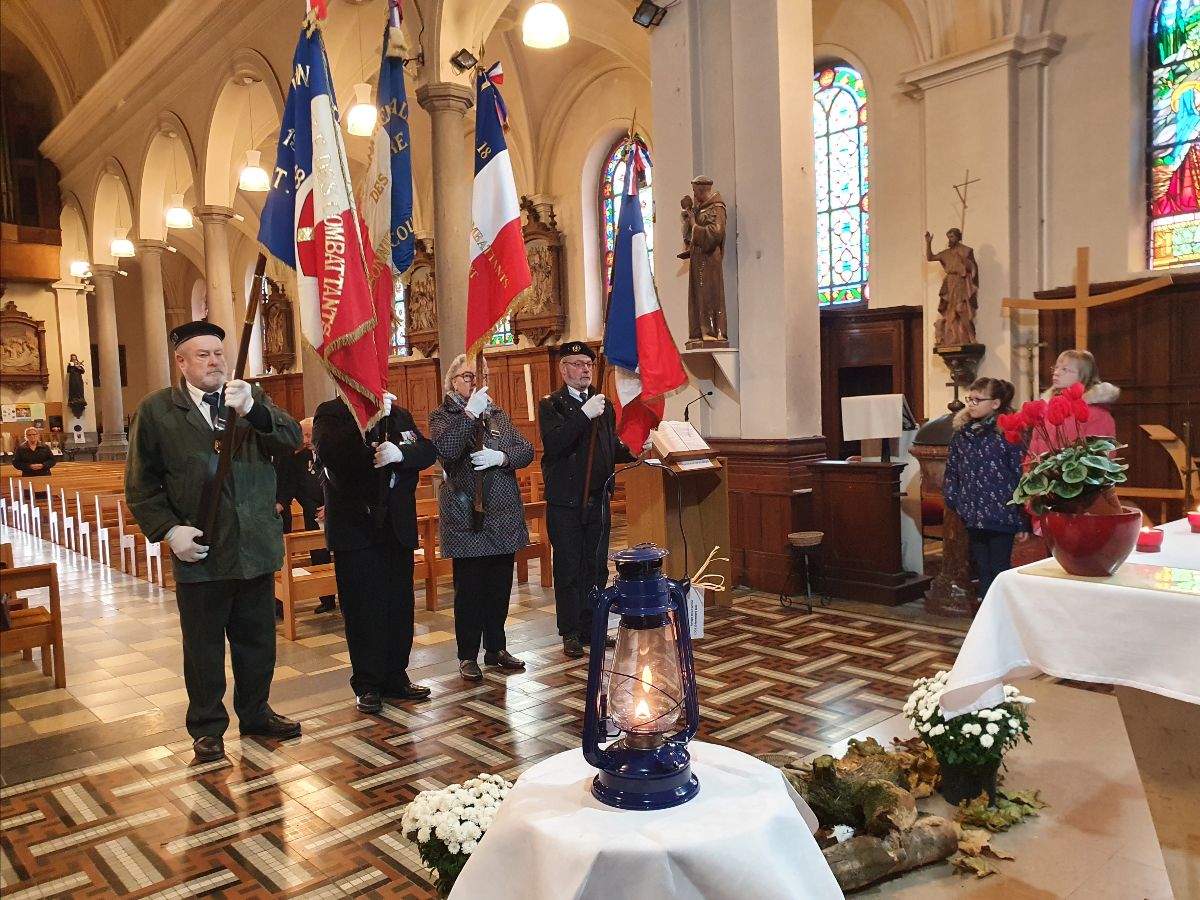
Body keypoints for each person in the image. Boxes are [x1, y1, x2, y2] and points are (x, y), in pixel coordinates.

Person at [124, 321, 302, 763]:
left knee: (258, 641)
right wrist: (169, 530)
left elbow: (293, 438)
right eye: (202, 355)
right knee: (203, 648)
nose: (214, 361)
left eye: (218, 353)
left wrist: (256, 411)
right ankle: (206, 727)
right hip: (201, 551)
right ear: (181, 362)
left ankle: (256, 712)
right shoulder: (158, 411)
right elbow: (140, 485)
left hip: (253, 547)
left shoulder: (250, 399)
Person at [313, 390, 436, 713]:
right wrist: (367, 421)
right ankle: (367, 683)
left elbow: (425, 450)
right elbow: (332, 454)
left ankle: (396, 674)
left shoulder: (399, 413)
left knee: (399, 605)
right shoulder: (331, 412)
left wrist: (401, 455)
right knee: (363, 609)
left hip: (396, 527)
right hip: (357, 528)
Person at [429, 354, 533, 682]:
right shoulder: (442, 416)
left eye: (480, 376)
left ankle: (496, 648)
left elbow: (526, 450)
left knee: (500, 589)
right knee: (470, 593)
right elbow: (446, 449)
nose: (475, 382)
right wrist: (468, 413)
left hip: (502, 516)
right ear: (452, 382)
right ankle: (467, 655)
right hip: (467, 520)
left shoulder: (498, 415)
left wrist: (501, 456)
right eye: (467, 377)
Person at [539, 342, 635, 658]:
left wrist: (636, 448)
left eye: (589, 365)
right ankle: (569, 632)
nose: (584, 370)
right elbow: (556, 443)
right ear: (563, 368)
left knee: (595, 567)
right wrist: (583, 414)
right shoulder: (552, 404)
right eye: (578, 364)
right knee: (568, 568)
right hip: (566, 500)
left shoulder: (602, 405)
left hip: (597, 498)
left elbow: (608, 445)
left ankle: (592, 625)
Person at [942, 377, 1029, 599]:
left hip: (1003, 514)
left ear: (996, 403)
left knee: (999, 569)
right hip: (972, 512)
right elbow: (952, 470)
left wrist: (1023, 519)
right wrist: (955, 500)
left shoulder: (1007, 434)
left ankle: (1003, 615)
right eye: (970, 399)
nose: (971, 404)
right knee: (981, 568)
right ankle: (985, 619)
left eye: (978, 399)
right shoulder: (962, 434)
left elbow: (1021, 476)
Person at [276, 417, 335, 613]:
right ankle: (326, 599)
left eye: (309, 434)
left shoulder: (332, 455)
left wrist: (331, 505)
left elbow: (343, 484)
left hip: (337, 514)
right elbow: (291, 488)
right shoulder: (297, 460)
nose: (305, 439)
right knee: (318, 557)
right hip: (313, 516)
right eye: (303, 434)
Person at [1029, 349, 1119, 458]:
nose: (1056, 373)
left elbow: (1098, 461)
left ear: (1083, 375)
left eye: (1065, 369)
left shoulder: (1098, 414)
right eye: (1056, 368)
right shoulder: (1046, 408)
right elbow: (1033, 452)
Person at [683, 176, 728, 346]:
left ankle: (712, 332)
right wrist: (689, 217)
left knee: (709, 295)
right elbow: (691, 233)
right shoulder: (701, 209)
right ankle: (698, 333)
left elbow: (716, 233)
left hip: (709, 260)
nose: (694, 196)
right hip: (698, 258)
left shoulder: (717, 208)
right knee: (697, 297)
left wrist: (695, 226)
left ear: (701, 191)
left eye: (695, 192)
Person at [925, 228, 979, 346]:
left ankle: (971, 337)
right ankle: (953, 337)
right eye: (948, 237)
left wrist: (965, 263)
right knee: (951, 313)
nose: (950, 240)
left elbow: (973, 270)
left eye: (952, 237)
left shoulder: (966, 251)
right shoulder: (946, 253)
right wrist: (928, 243)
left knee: (960, 309)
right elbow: (930, 258)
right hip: (950, 282)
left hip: (961, 282)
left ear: (958, 237)